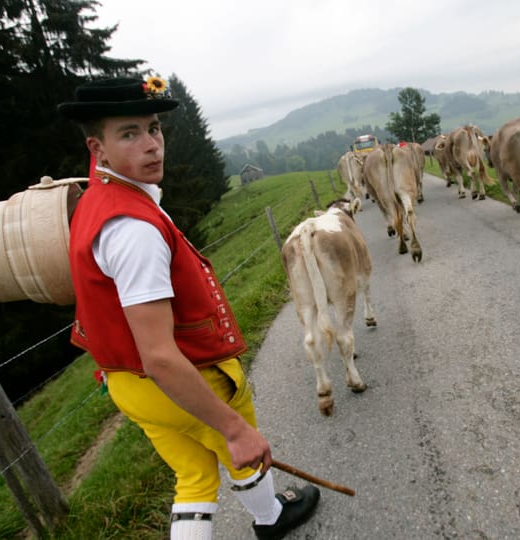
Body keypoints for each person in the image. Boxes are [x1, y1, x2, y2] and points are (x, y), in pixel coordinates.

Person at [58, 76, 320, 540]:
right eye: (129, 133)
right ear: (97, 148)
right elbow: (159, 355)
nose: (152, 145)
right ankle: (270, 517)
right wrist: (234, 429)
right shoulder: (132, 230)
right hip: (185, 378)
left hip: (128, 384)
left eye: (154, 127)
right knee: (238, 450)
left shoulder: (98, 203)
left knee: (195, 476)